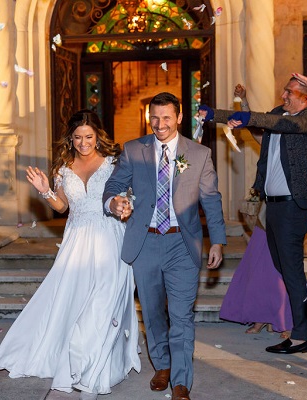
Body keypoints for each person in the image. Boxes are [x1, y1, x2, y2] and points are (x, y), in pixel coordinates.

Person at [0, 110, 140, 400]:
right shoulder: (63, 167)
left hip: (109, 238)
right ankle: (77, 361)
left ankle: (92, 373)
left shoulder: (113, 163)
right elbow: (61, 207)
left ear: (98, 136)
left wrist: (125, 205)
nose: (83, 142)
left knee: (103, 304)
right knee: (73, 303)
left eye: (88, 137)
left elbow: (125, 196)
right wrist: (45, 191)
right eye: (77, 138)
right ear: (70, 139)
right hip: (76, 242)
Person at [104, 92, 226, 400]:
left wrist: (218, 240)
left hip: (182, 244)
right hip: (145, 242)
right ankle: (162, 365)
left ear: (180, 117)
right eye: (155, 118)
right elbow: (114, 185)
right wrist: (114, 201)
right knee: (154, 311)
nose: (160, 124)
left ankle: (181, 382)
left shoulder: (198, 154)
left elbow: (211, 198)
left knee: (182, 316)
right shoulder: (134, 150)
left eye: (167, 117)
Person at [200, 77, 307, 355]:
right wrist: (214, 115)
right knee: (284, 269)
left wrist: (239, 115)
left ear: (305, 98)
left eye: (289, 91)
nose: (283, 95)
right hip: (273, 207)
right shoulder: (278, 114)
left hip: (293, 206)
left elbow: (268, 122)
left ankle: (300, 336)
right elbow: (258, 123)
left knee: (291, 271)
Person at [219, 85, 292, 339]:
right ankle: (261, 316)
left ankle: (281, 319)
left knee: (281, 270)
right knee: (260, 268)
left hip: (290, 209)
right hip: (267, 209)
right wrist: (244, 100)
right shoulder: (270, 140)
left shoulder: (301, 139)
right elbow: (254, 129)